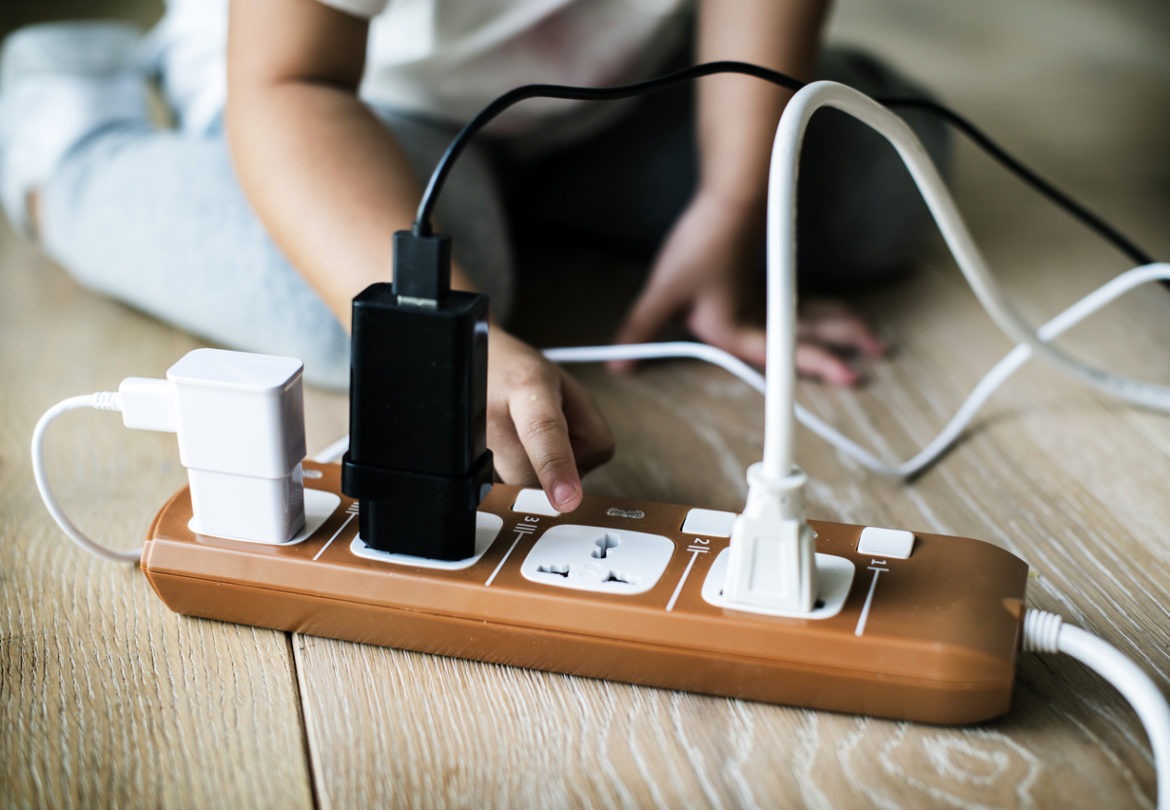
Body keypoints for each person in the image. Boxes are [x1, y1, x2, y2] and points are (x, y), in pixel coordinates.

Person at [0, 0, 947, 514]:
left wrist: (733, 202)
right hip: (344, 89)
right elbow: (290, 82)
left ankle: (507, 204)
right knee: (340, 326)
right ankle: (67, 140)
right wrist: (444, 324)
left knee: (879, 188)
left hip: (600, 82)